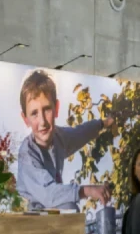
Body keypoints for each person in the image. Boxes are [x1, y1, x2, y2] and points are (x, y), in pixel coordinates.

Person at [15, 70, 112, 211]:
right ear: (25, 119)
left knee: (70, 209)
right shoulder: (28, 153)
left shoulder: (58, 137)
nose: (42, 121)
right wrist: (88, 190)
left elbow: (80, 133)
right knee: (69, 208)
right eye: (34, 113)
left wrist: (103, 123)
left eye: (47, 109)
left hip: (50, 212)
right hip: (30, 217)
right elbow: (49, 194)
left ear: (57, 109)